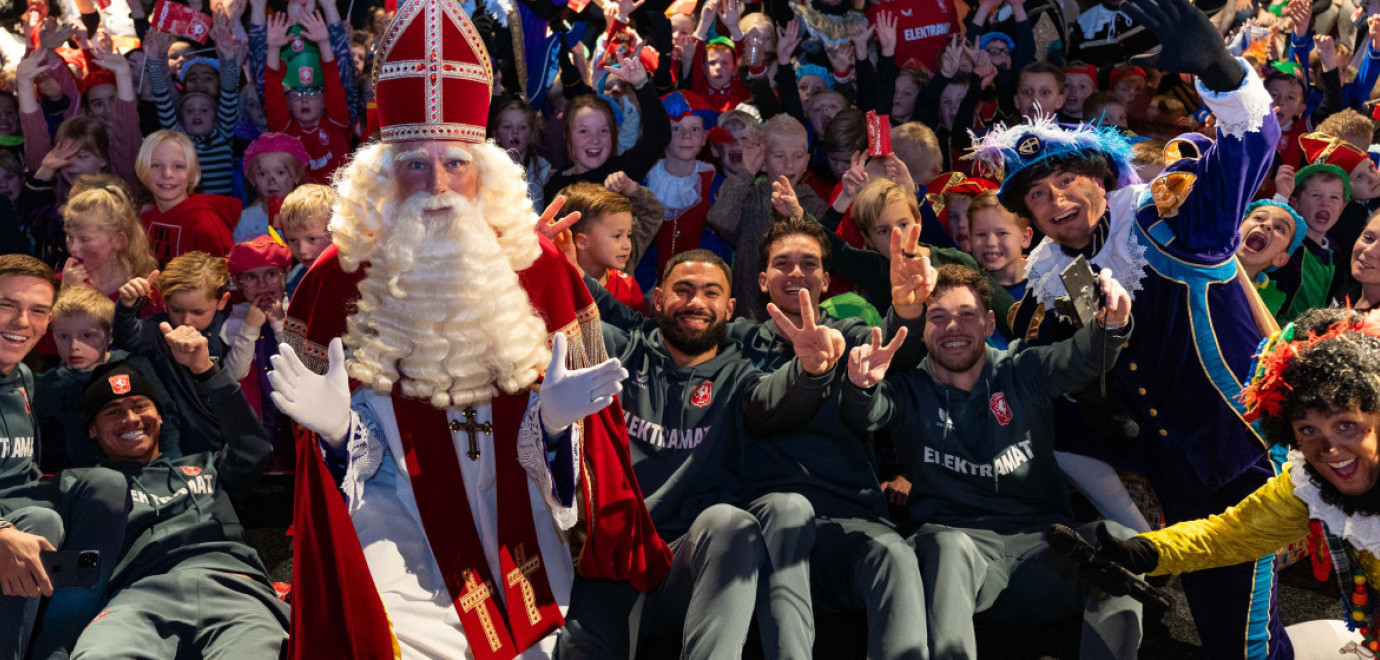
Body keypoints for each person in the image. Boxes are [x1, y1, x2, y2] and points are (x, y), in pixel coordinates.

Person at [273, 1, 672, 655]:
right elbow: (329, 467)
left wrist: (554, 425)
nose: (436, 184)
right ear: (383, 176)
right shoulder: (332, 280)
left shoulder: (540, 268)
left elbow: (588, 455)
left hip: (514, 523)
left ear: (484, 171)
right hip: (390, 521)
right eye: (414, 166)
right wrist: (338, 433)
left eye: (455, 164)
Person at [980, 0, 1291, 653]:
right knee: (1216, 628)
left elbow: (1246, 154)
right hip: (1174, 470)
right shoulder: (1058, 276)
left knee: (1247, 638)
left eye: (1067, 180)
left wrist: (1225, 74)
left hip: (1239, 458)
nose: (1055, 200)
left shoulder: (1167, 221)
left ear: (1101, 180)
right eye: (1038, 195)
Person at [557, 248, 848, 660]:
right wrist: (537, 257)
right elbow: (563, 318)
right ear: (658, 298)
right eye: (683, 290)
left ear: (729, 308)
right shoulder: (619, 352)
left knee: (730, 523)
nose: (696, 302)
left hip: (688, 567)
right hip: (612, 565)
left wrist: (810, 372)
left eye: (711, 293)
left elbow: (776, 396)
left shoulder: (741, 374)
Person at [842, 264, 1142, 659]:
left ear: (987, 323)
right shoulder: (909, 387)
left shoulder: (1022, 369)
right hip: (958, 563)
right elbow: (866, 413)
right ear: (922, 330)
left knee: (1121, 540)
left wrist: (1111, 326)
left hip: (1046, 551)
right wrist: (861, 384)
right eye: (938, 316)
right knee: (944, 545)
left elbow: (1079, 359)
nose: (953, 326)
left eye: (966, 314)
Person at [1086, 308, 1380, 656]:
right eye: (1309, 430)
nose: (1329, 449)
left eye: (1346, 425)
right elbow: (1231, 534)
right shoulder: (1312, 487)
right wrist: (1148, 551)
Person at [39, 336, 288, 658]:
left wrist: (207, 372)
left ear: (159, 416)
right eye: (113, 412)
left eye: (140, 406)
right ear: (92, 430)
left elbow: (254, 447)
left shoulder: (207, 466)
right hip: (137, 597)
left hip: (234, 587)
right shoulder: (80, 484)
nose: (130, 419)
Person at [36, 285, 176, 471]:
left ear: (109, 336)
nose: (73, 346)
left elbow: (166, 416)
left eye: (87, 335)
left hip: (149, 470)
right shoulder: (50, 385)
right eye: (63, 336)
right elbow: (36, 438)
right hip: (87, 476)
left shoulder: (136, 365)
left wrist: (172, 464)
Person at [0, 255, 61, 660]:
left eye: (38, 310)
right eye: (7, 304)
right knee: (42, 522)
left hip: (20, 501)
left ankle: (61, 642)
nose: (23, 322)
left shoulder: (22, 376)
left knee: (105, 487)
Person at [113, 251, 233, 456]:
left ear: (222, 301)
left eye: (197, 312)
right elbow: (128, 337)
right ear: (165, 302)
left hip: (227, 443)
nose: (186, 320)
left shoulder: (232, 330)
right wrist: (127, 304)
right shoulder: (159, 330)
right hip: (176, 446)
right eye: (176, 310)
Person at [134, 131, 237, 263]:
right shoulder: (144, 219)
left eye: (178, 166)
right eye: (155, 165)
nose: (167, 174)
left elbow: (222, 278)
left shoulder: (205, 225)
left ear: (191, 173)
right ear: (143, 170)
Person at [237, 133, 310, 242]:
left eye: (280, 172)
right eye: (262, 174)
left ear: (296, 175)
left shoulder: (310, 214)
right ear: (252, 180)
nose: (271, 181)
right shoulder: (246, 220)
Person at [278, 184, 336, 299]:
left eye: (312, 239)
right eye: (293, 240)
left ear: (336, 232)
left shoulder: (356, 275)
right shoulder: (295, 281)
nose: (302, 250)